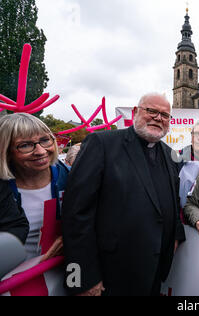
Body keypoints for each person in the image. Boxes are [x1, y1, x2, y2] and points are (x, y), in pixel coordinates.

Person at [62, 93, 186, 296]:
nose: (158, 118)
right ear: (136, 112)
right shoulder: (101, 143)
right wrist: (82, 278)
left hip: (153, 269)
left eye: (164, 115)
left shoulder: (169, 154)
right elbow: (76, 213)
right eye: (152, 111)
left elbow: (171, 202)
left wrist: (175, 236)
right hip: (110, 272)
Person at [0, 113, 68, 261]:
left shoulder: (72, 178)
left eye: (45, 140)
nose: (41, 151)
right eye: (25, 145)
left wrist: (74, 236)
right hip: (14, 279)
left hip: (68, 273)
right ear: (6, 151)